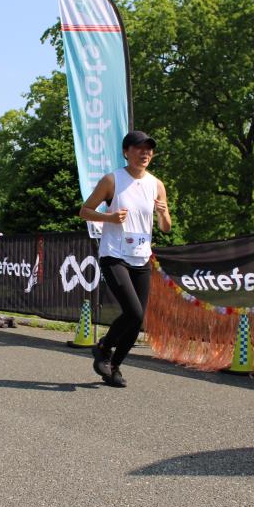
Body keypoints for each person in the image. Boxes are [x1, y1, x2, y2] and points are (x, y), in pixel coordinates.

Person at [79, 130, 171, 387]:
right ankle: (104, 347)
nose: (145, 153)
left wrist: (163, 214)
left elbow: (166, 228)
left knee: (137, 319)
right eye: (139, 148)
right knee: (133, 311)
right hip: (114, 254)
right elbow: (84, 211)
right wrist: (108, 218)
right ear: (126, 152)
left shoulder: (157, 185)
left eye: (149, 149)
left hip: (141, 257)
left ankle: (114, 367)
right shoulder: (112, 180)